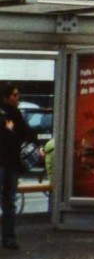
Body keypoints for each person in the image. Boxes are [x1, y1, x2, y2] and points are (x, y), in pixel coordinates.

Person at [0, 83, 34, 250]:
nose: (17, 98)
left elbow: (25, 133)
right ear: (6, 97)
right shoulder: (10, 114)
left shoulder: (15, 113)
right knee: (9, 201)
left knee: (9, 200)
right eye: (14, 95)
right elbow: (21, 133)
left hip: (10, 162)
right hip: (8, 162)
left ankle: (8, 237)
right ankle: (8, 238)